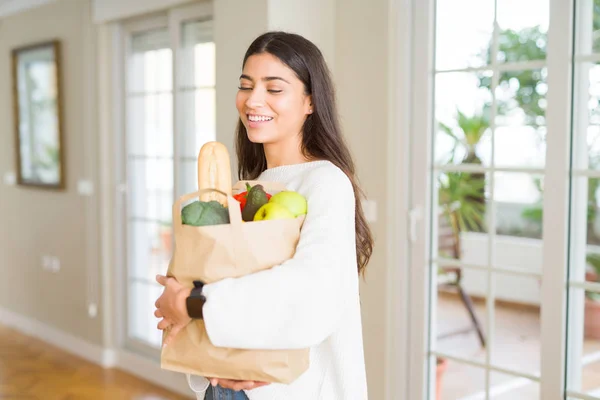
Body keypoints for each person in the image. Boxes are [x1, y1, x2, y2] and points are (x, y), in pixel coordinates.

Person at [154, 31, 374, 400]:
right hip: (221, 381)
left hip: (286, 389)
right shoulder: (246, 188)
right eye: (246, 85)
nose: (253, 99)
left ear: (310, 102)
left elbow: (313, 285)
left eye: (274, 88)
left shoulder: (325, 181)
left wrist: (193, 302)